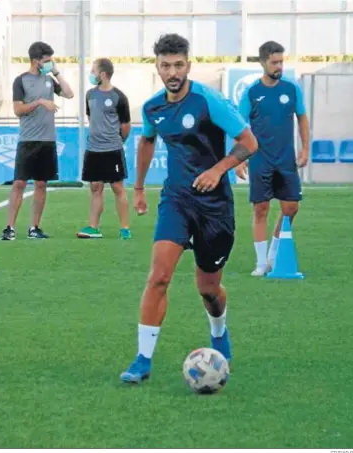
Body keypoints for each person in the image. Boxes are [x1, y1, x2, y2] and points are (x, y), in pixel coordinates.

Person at [120, 33, 258, 384]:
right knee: (159, 276)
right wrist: (138, 188)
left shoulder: (208, 101)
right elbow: (147, 140)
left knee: (208, 290)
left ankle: (218, 330)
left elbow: (249, 142)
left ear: (188, 65)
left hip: (214, 208)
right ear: (157, 67)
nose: (173, 72)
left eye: (178, 65)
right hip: (177, 200)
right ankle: (142, 359)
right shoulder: (153, 108)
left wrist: (217, 170)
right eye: (166, 65)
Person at [236, 41, 310, 276]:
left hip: (286, 159)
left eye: (281, 62)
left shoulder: (291, 89)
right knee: (261, 208)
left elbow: (302, 118)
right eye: (274, 62)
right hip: (260, 158)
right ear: (263, 63)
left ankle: (273, 255)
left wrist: (306, 148)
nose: (279, 66)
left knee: (291, 207)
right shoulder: (252, 93)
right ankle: (260, 264)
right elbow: (239, 127)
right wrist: (239, 158)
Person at [0, 41, 74, 240]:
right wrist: (40, 102)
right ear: (35, 61)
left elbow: (69, 94)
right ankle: (10, 228)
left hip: (48, 140)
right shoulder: (21, 81)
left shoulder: (50, 79)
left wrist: (56, 72)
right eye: (47, 60)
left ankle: (34, 228)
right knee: (19, 183)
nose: (50, 63)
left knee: (41, 184)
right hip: (28, 140)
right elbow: (18, 110)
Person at [77, 58, 132, 239]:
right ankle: (93, 227)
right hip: (93, 149)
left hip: (112, 150)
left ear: (103, 74)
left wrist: (116, 142)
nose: (91, 74)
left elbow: (125, 126)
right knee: (95, 187)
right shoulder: (90, 95)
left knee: (117, 188)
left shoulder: (119, 97)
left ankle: (124, 228)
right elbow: (91, 116)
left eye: (93, 71)